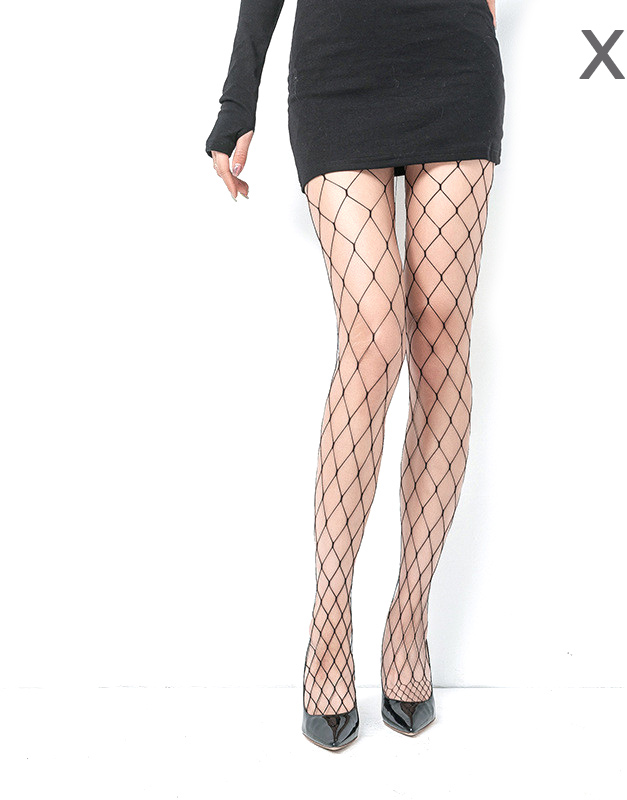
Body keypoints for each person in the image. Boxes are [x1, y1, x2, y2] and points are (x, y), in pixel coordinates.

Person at [205, 0, 505, 751]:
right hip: (338, 65)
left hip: (452, 55)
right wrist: (237, 99)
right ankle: (330, 617)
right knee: (374, 333)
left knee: (441, 327)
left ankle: (409, 615)